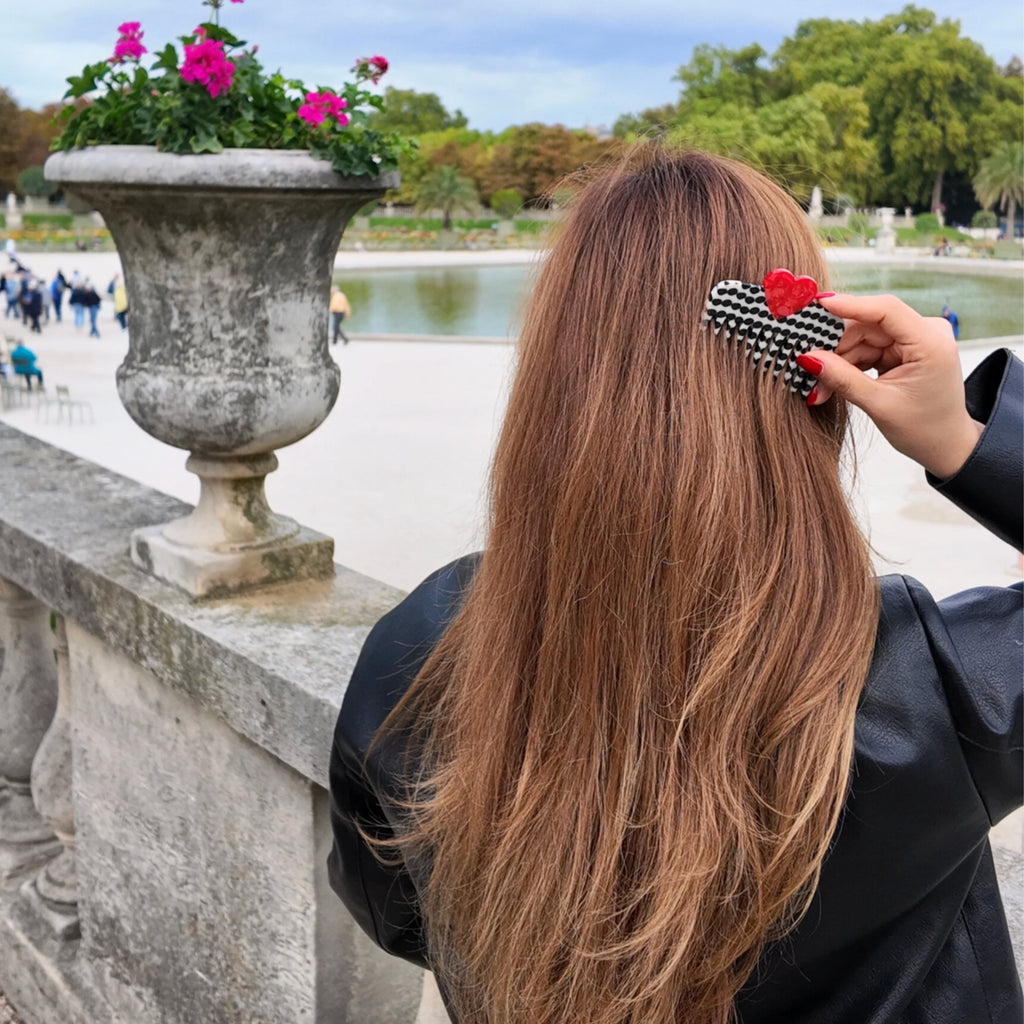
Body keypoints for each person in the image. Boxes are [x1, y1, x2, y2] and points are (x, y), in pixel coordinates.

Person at [327, 148, 1022, 1024]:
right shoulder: (936, 690)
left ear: (558, 366)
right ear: (809, 374)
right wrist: (965, 441)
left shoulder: (424, 646)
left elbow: (389, 906)